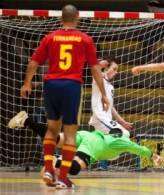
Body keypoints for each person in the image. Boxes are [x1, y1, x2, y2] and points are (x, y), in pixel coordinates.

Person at [20, 5, 109, 189]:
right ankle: (62, 177)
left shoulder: (50, 37)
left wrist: (27, 83)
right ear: (77, 17)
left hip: (51, 85)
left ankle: (47, 169)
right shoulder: (85, 39)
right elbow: (94, 69)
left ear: (61, 18)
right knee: (70, 133)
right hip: (71, 86)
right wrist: (103, 94)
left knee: (52, 129)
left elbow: (34, 62)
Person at [8, 111, 163, 175]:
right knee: (74, 169)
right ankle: (57, 161)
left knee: (54, 139)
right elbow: (137, 148)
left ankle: (26, 120)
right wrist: (153, 155)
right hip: (94, 145)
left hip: (87, 135)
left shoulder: (114, 132)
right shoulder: (124, 140)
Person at [89, 57, 133, 169]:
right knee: (124, 134)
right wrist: (101, 65)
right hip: (100, 117)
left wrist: (122, 121)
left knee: (109, 152)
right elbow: (95, 69)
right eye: (114, 69)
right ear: (106, 68)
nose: (116, 72)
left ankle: (71, 159)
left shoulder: (110, 86)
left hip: (106, 119)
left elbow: (111, 107)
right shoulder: (99, 78)